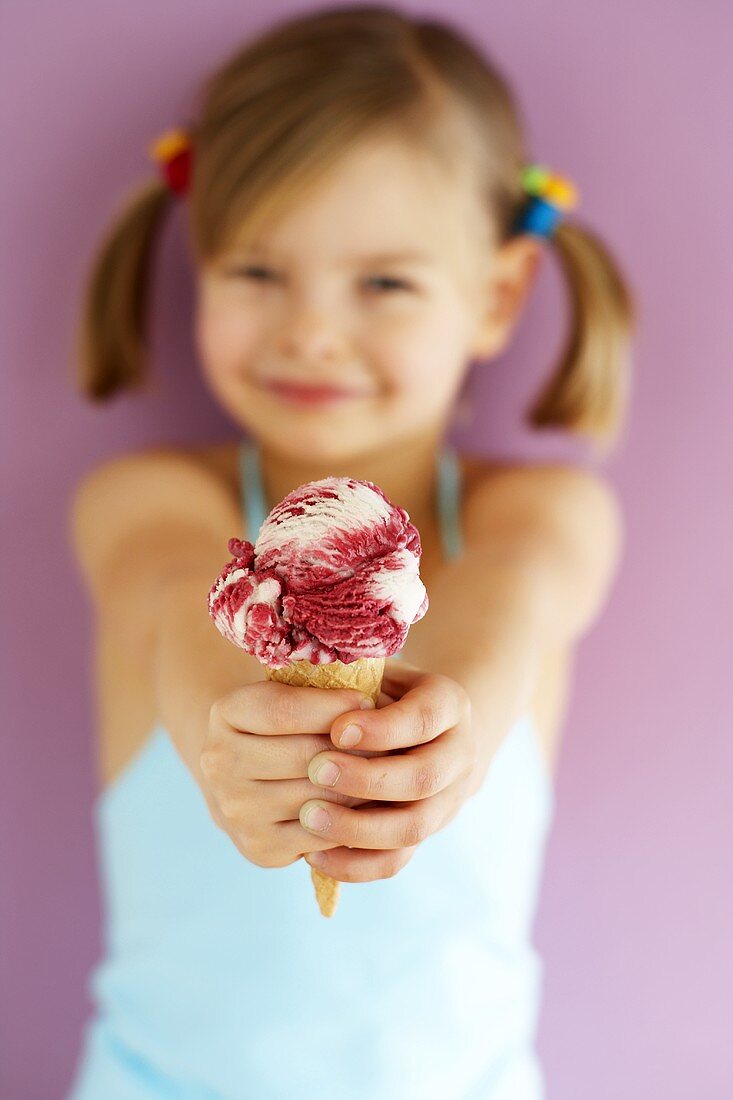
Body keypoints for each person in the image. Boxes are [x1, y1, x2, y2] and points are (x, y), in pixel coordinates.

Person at [66, 5, 634, 1098]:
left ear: (498, 292)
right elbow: (170, 595)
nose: (311, 331)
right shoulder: (146, 497)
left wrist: (449, 716)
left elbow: (505, 601)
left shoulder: (544, 514)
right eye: (257, 272)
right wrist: (225, 726)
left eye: (381, 282)